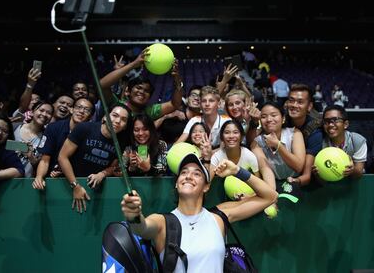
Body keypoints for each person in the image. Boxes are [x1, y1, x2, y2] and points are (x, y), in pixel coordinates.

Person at [121, 155, 277, 272]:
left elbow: (270, 196)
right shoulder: (162, 221)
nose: (188, 176)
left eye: (197, 173)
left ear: (206, 187)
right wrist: (133, 215)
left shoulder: (219, 216)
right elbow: (142, 228)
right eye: (183, 172)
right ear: (176, 183)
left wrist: (237, 170)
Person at [59, 103, 132, 213]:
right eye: (114, 115)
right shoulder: (84, 128)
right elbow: (62, 157)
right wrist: (75, 185)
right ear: (104, 117)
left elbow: (113, 167)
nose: (117, 121)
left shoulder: (121, 142)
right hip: (70, 184)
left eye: (123, 119)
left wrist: (102, 174)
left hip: (97, 190)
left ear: (125, 126)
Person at [99, 49, 183, 120]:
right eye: (138, 88)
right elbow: (102, 85)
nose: (142, 92)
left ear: (149, 97)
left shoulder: (150, 111)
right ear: (127, 91)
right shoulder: (116, 104)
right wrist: (134, 64)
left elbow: (174, 104)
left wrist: (177, 80)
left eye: (147, 91)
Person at [32, 97, 94, 190]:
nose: (81, 111)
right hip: (52, 179)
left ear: (91, 117)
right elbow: (45, 159)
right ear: (72, 109)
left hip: (79, 180)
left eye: (86, 110)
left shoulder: (92, 134)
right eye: (78, 107)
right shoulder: (53, 128)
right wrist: (39, 177)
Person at [251, 102, 305, 203]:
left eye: (274, 115)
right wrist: (272, 196)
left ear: (283, 118)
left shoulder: (295, 134)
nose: (269, 119)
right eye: (264, 116)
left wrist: (278, 145)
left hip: (295, 182)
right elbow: (265, 169)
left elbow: (298, 166)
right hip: (272, 184)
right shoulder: (256, 143)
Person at [285, 84, 323, 186]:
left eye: (300, 102)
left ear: (309, 106)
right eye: (291, 100)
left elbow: (306, 175)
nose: (294, 105)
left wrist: (295, 181)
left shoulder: (315, 131)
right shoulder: (280, 120)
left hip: (300, 180)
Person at [320, 105, 367, 178]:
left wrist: (352, 170)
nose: (330, 125)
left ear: (345, 124)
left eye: (335, 120)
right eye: (326, 121)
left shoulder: (357, 141)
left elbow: (359, 172)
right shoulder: (319, 142)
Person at [13, 101, 54, 177]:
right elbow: (2, 147)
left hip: (28, 182)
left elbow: (43, 164)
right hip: (6, 178)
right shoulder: (14, 127)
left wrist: (32, 159)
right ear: (32, 112)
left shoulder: (48, 137)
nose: (44, 114)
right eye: (41, 110)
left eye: (49, 113)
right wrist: (22, 147)